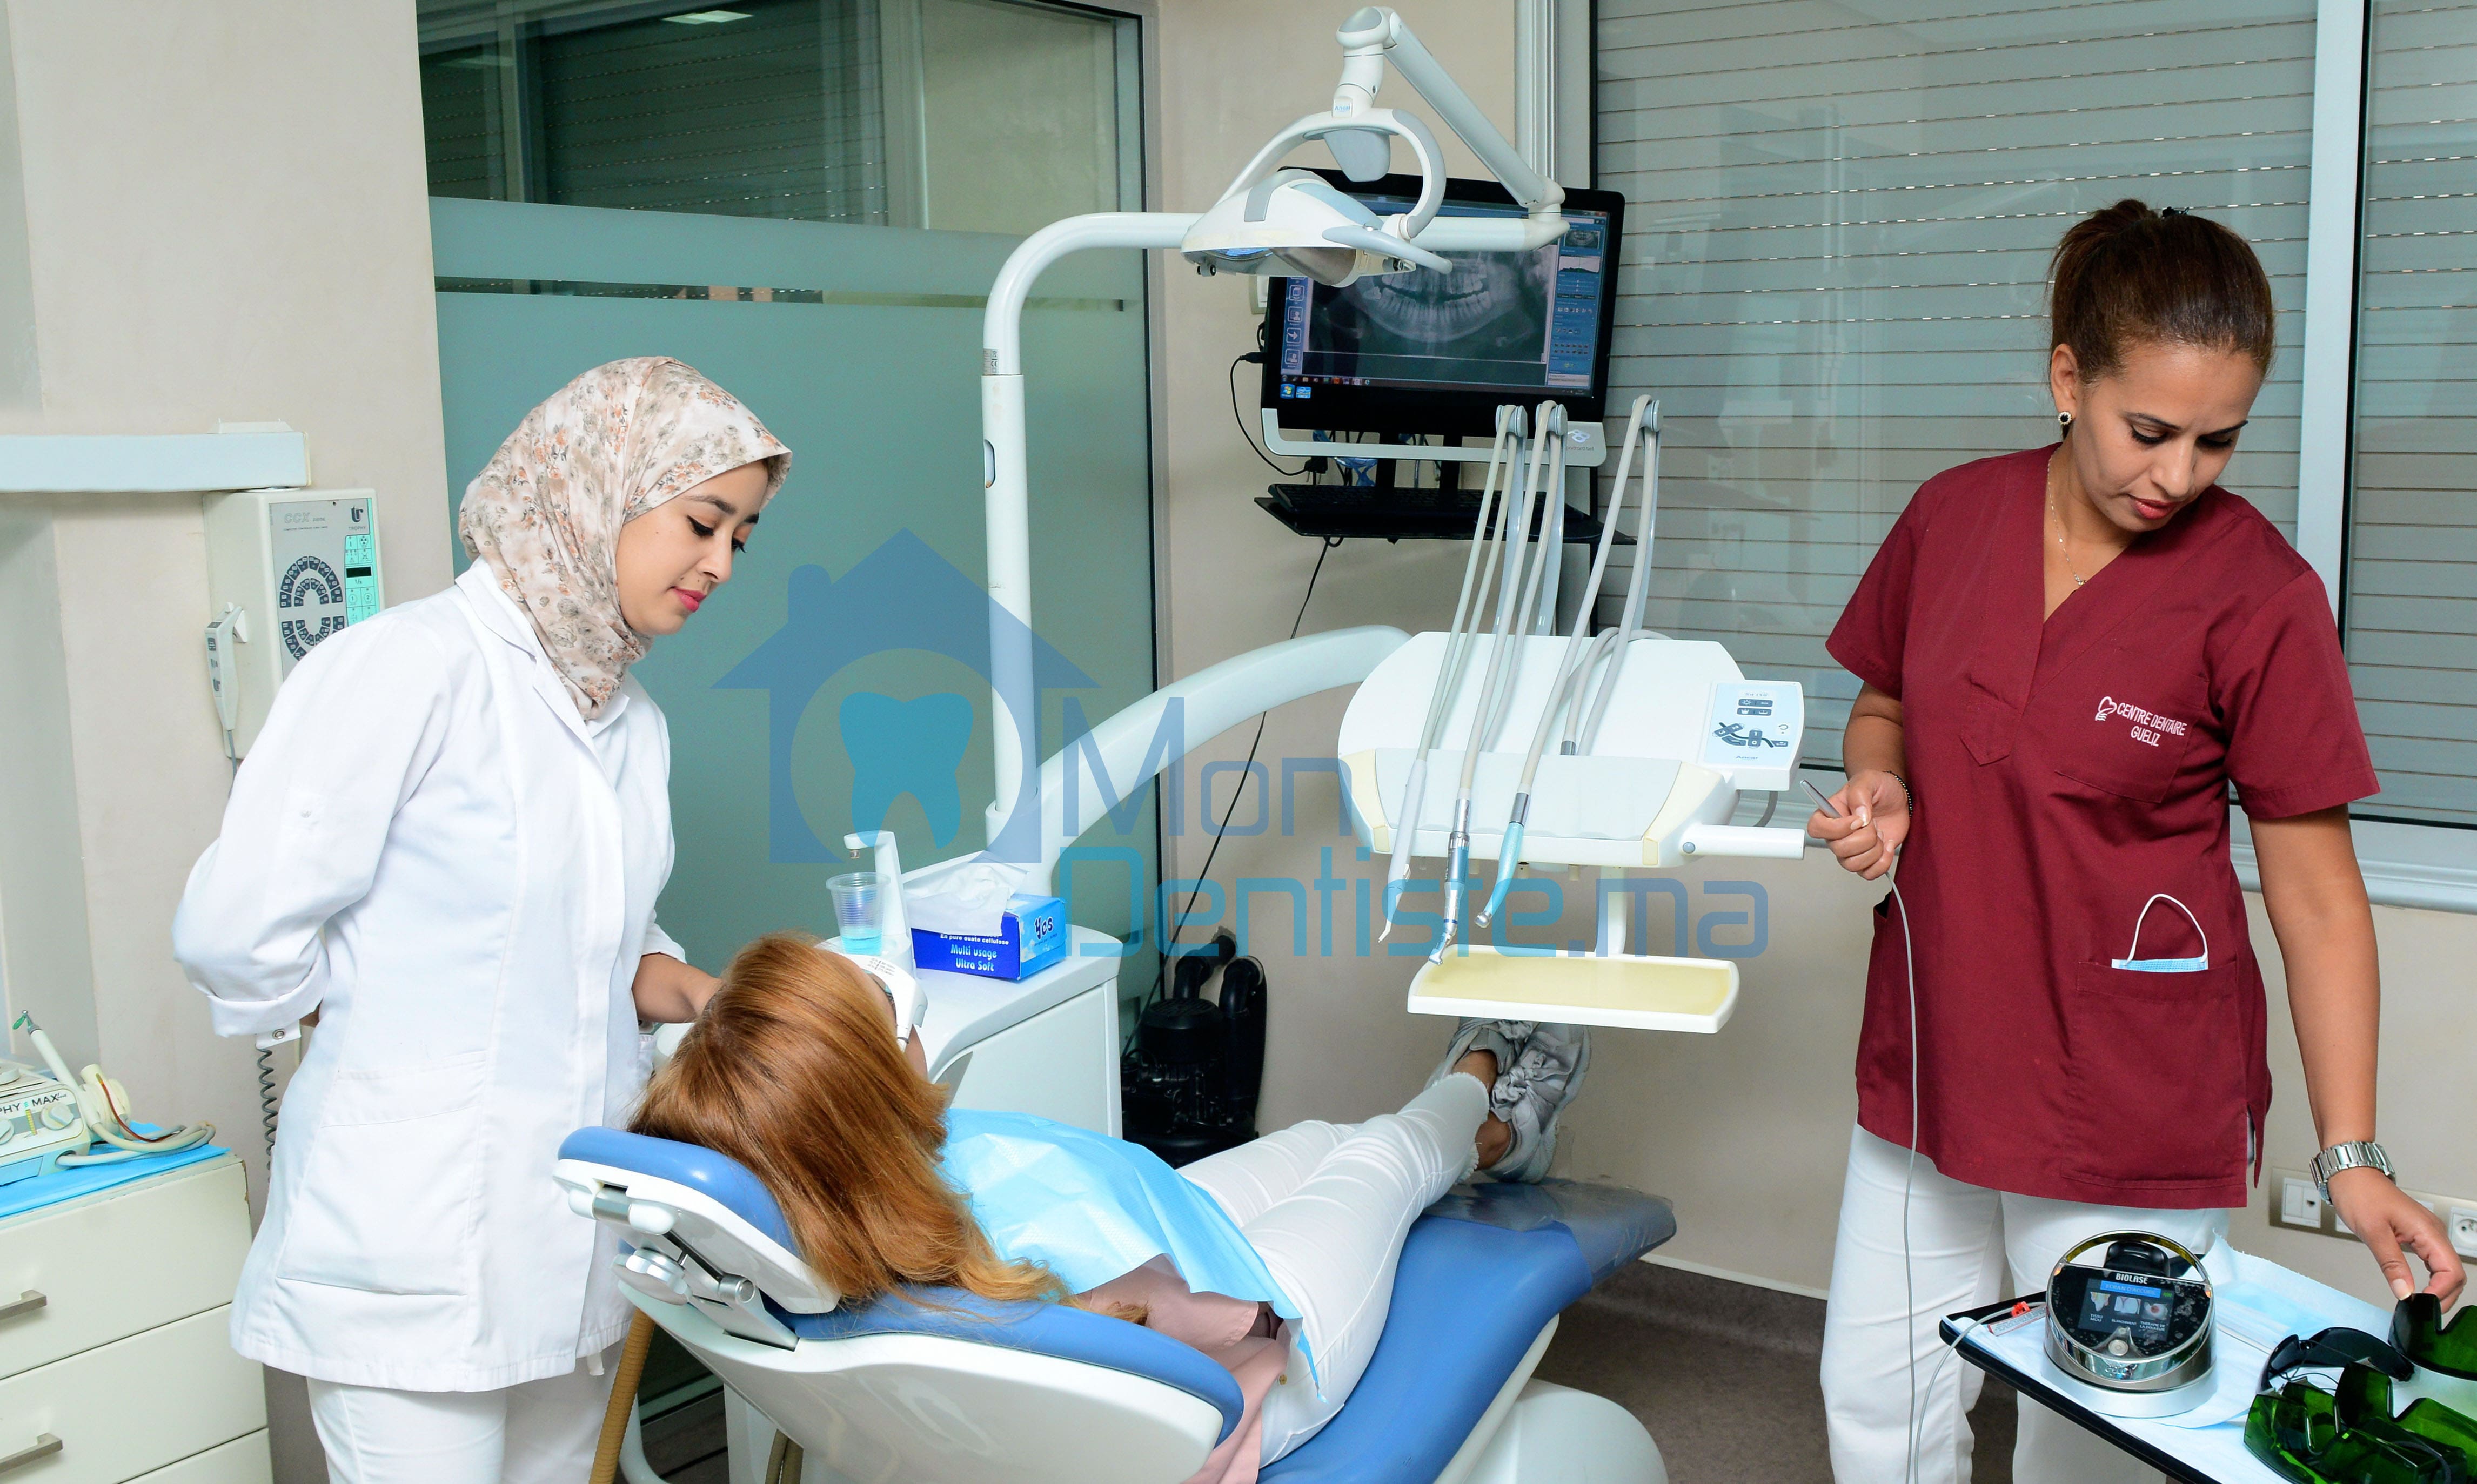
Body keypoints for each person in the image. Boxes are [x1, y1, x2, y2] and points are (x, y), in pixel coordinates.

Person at [1804, 200, 2466, 1484]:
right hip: (1934, 1058)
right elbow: (1885, 705)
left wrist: (2353, 1158)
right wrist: (1880, 785)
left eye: (2219, 441)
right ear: (2069, 379)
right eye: (2149, 432)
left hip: (2128, 1096)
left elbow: (2319, 901)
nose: (2179, 476)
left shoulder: (2260, 597)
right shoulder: (1951, 518)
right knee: (1878, 1407)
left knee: (2085, 1445)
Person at [173, 358, 791, 1484]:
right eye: (703, 523)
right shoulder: (409, 670)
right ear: (594, 490)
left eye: (741, 540)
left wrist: (727, 1004)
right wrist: (369, 1028)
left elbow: (611, 943)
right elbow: (234, 927)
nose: (719, 564)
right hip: (409, 1253)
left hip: (570, 1249)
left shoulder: (632, 723)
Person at [631, 935, 1590, 1482]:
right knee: (1383, 1158)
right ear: (878, 1089)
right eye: (899, 1016)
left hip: (1149, 1294)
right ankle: (1485, 1090)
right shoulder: (994, 1278)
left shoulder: (841, 1203)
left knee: (1320, 1143)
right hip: (1245, 1382)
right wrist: (1243, 1306)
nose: (914, 1025)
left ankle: (1472, 1131)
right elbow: (1210, 1323)